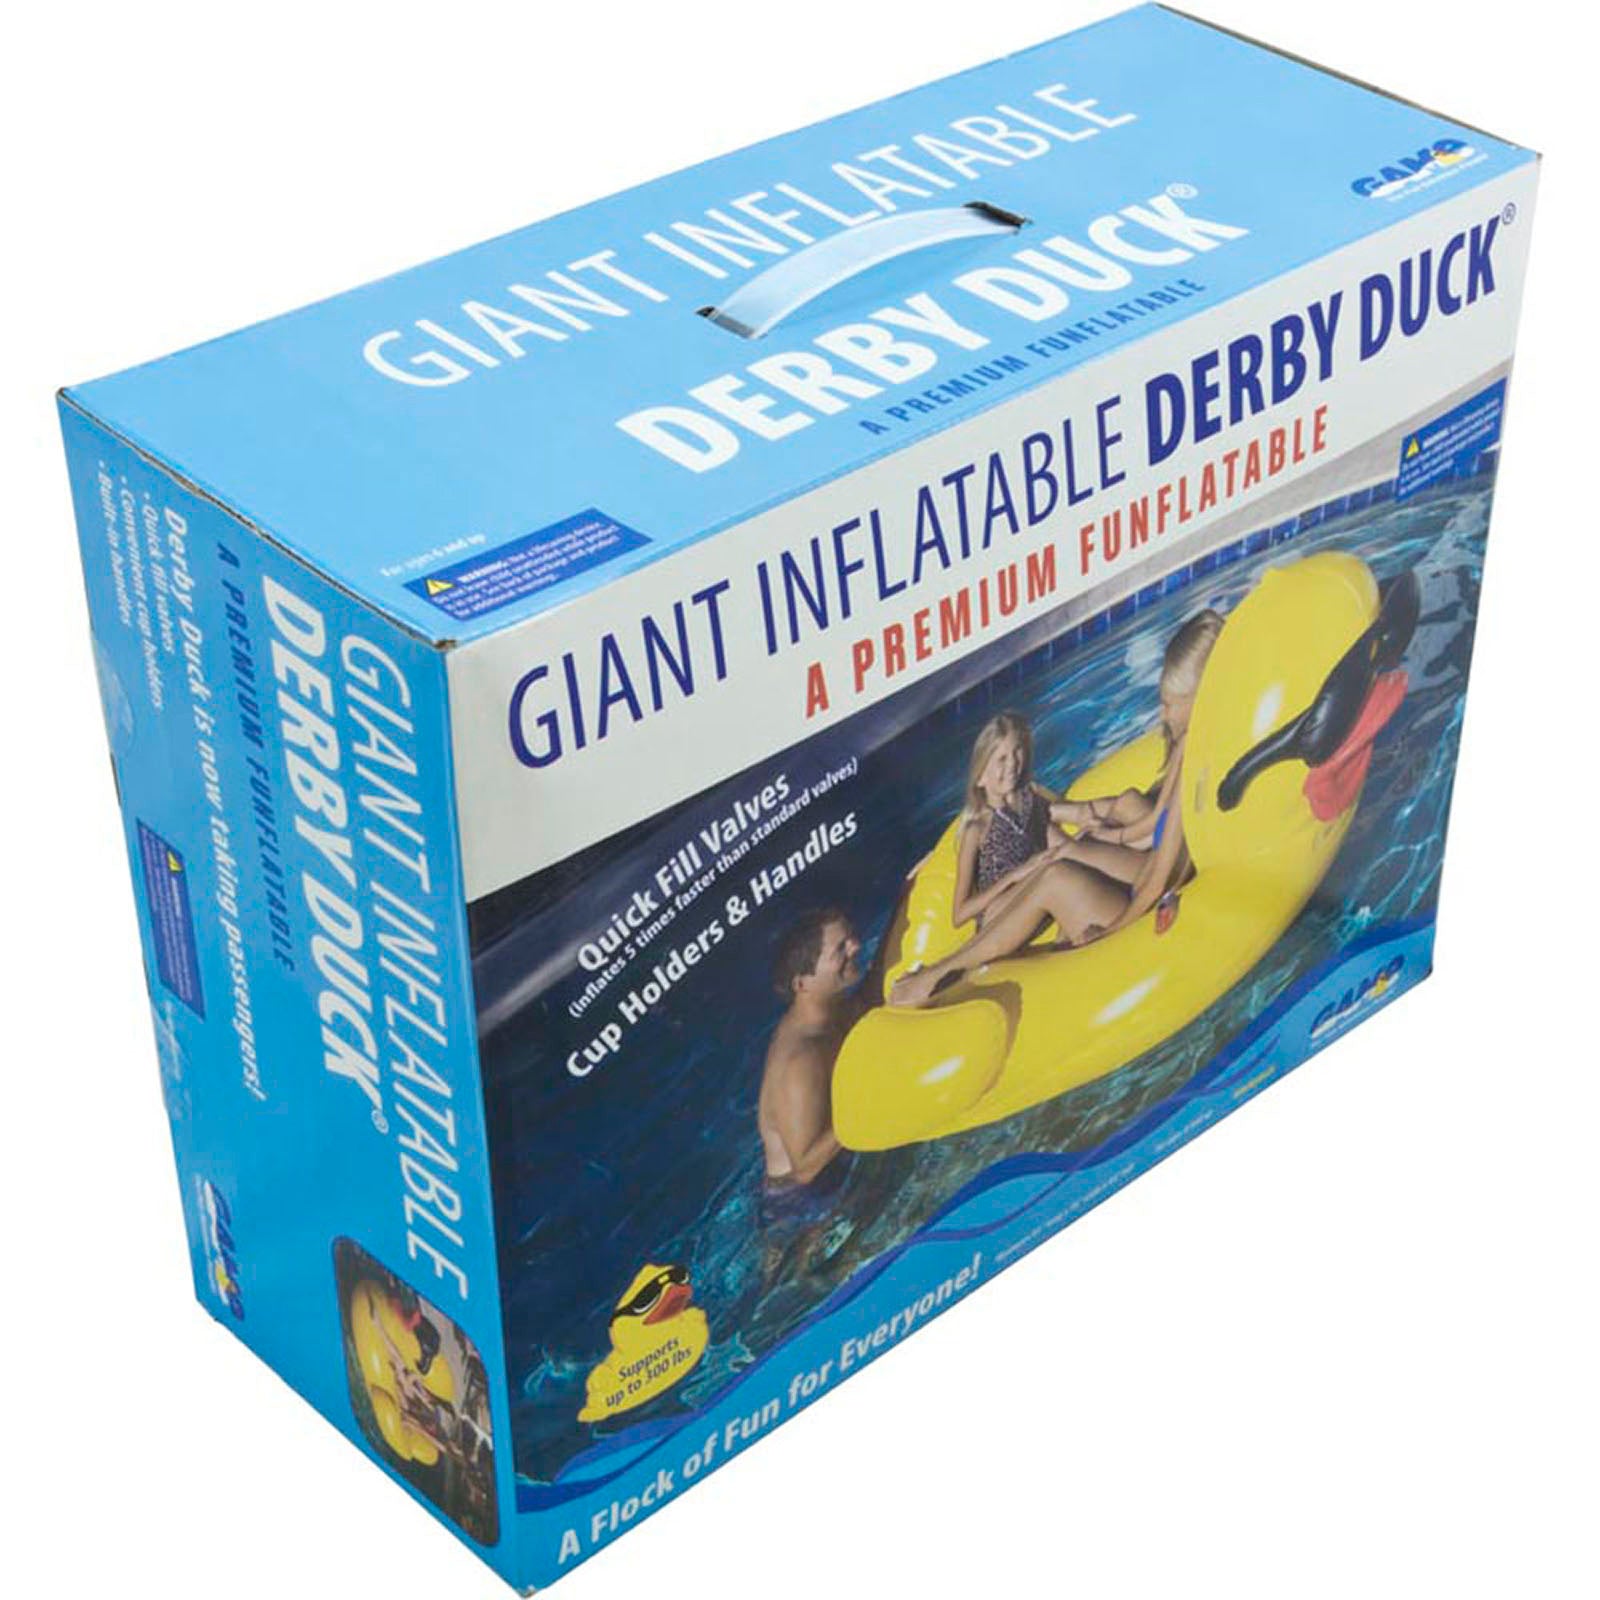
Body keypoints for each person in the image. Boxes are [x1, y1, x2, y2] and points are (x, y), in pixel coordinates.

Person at [890, 609, 1224, 1007]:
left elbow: (1159, 880)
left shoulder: (1194, 764)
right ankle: (966, 958)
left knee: (1055, 876)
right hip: (1139, 871)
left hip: (1146, 894)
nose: (1163, 714)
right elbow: (1152, 826)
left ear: (1202, 696)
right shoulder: (1191, 745)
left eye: (1170, 704)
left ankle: (940, 974)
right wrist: (1104, 836)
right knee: (1065, 852)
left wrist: (1109, 933)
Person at [758, 909, 862, 1196]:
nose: (856, 946)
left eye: (851, 938)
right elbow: (804, 1169)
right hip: (802, 1199)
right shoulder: (800, 1061)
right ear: (802, 984)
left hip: (834, 1164)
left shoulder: (831, 1007)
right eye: (840, 948)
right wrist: (867, 1097)